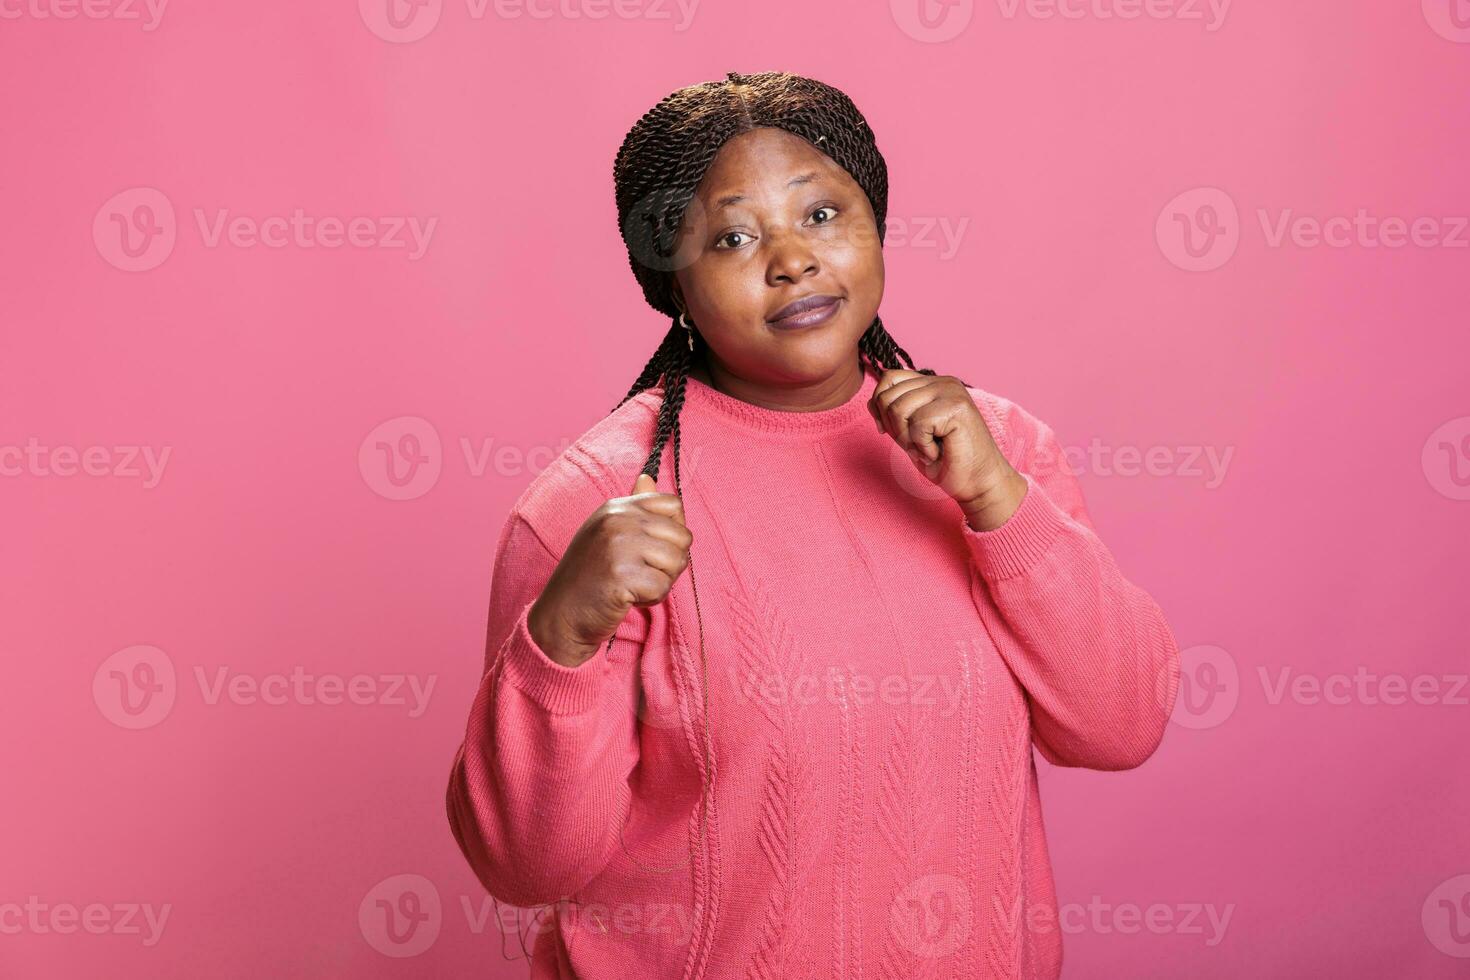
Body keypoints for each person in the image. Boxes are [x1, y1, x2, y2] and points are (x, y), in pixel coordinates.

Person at [446, 69, 1181, 980]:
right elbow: (526, 868)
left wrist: (998, 502)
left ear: (877, 227)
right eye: (732, 236)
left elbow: (1120, 726)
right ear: (670, 281)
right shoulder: (594, 506)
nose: (790, 258)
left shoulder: (996, 449)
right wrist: (559, 635)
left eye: (823, 216)